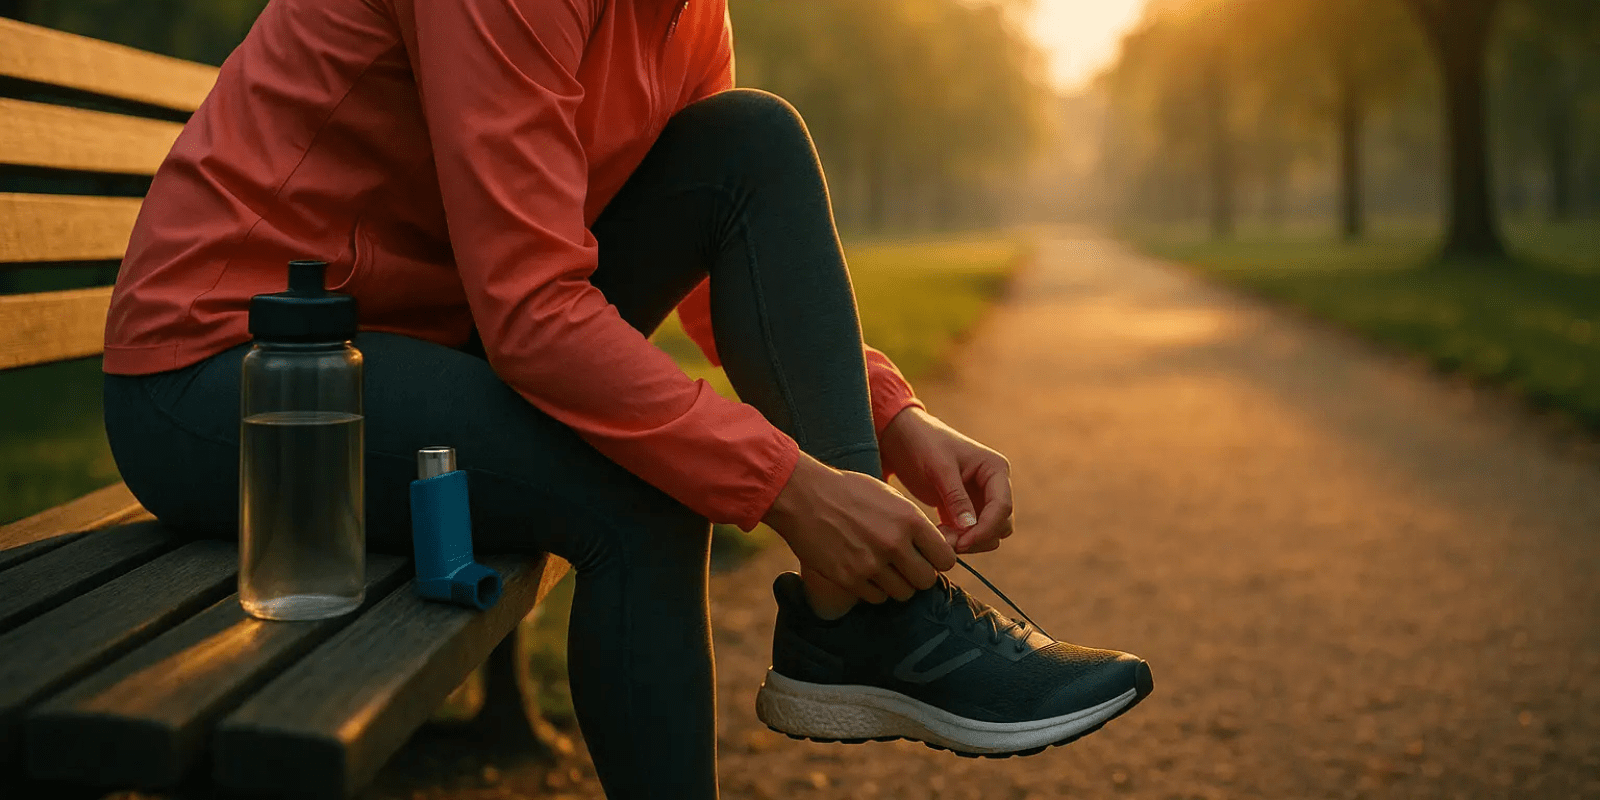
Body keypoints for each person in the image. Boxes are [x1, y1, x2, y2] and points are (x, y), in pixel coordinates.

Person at [101, 0, 1153, 797]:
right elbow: (528, 309)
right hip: (231, 370)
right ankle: (874, 615)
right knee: (639, 489)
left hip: (426, 340)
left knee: (750, 143)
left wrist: (893, 419)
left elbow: (714, 258)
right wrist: (792, 487)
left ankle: (868, 619)